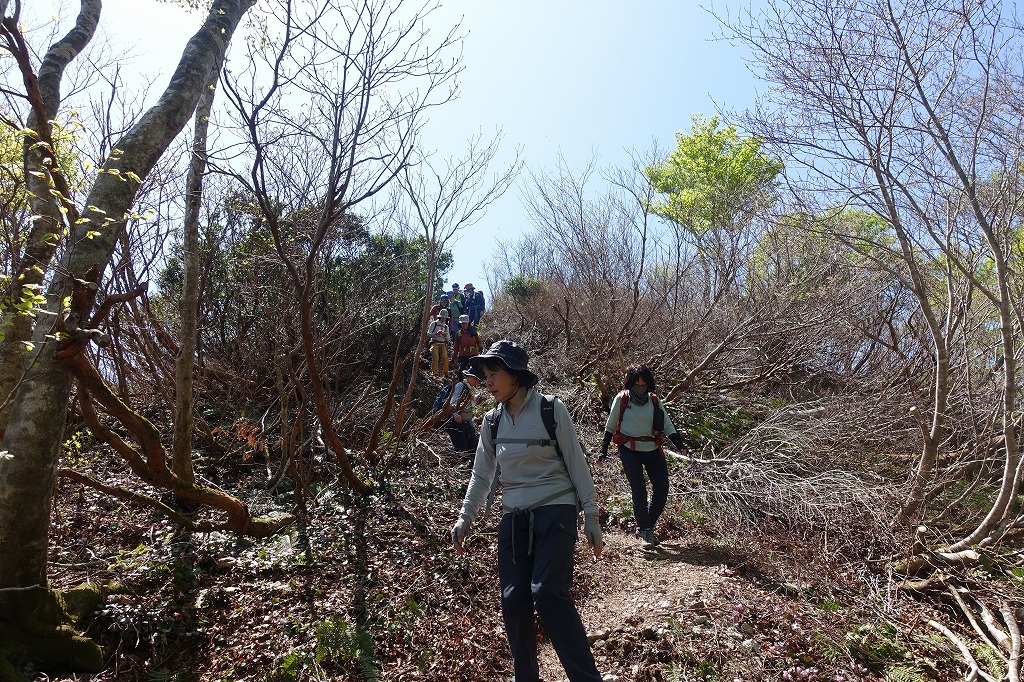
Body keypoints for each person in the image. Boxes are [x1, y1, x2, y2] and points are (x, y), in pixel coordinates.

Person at [452, 340, 606, 682]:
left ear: (516, 375)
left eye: (494, 374)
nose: (488, 382)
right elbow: (482, 475)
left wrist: (591, 515)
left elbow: (577, 463)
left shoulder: (551, 409)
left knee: (547, 592)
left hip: (556, 510)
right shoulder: (492, 422)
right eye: (485, 375)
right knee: (513, 600)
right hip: (514, 517)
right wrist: (466, 517)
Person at [599, 364, 688, 548]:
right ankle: (646, 531)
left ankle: (646, 526)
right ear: (630, 383)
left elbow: (668, 426)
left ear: (649, 384)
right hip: (629, 450)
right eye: (636, 383)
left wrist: (680, 446)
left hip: (652, 449)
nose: (640, 387)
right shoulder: (622, 399)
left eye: (643, 383)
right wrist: (603, 451)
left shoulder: (654, 401)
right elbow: (610, 427)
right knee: (639, 490)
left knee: (662, 489)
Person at [445, 367, 482, 453]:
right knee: (460, 446)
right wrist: (455, 415)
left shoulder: (472, 390)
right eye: (474, 378)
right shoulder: (461, 386)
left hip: (465, 421)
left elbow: (469, 409)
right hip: (455, 420)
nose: (476, 381)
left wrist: (471, 425)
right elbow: (452, 401)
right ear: (468, 377)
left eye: (478, 380)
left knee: (473, 446)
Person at [427, 309, 451, 376]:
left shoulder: (446, 327)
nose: (444, 319)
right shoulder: (434, 324)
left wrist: (445, 335)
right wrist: (436, 333)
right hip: (434, 342)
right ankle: (435, 372)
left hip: (443, 343)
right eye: (443, 317)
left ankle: (446, 372)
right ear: (440, 317)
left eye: (445, 318)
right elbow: (428, 334)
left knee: (445, 357)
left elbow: (448, 338)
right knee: (435, 357)